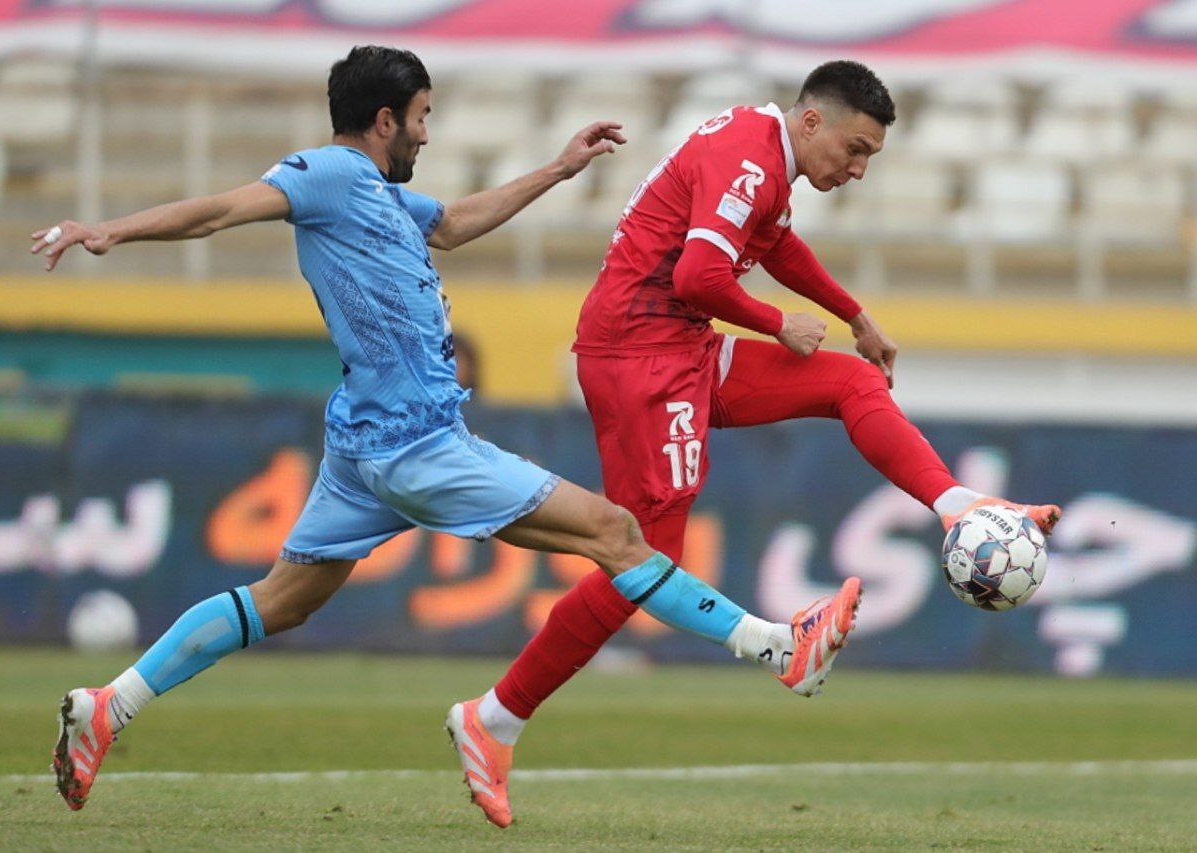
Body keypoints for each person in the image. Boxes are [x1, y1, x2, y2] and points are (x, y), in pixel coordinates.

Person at [35, 46, 862, 817]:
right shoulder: (327, 174)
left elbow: (455, 223)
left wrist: (557, 169)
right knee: (615, 532)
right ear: (384, 120)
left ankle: (111, 704)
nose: (427, 135)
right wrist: (111, 230)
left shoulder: (380, 195)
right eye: (422, 117)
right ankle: (775, 647)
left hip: (363, 445)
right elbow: (223, 209)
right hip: (417, 445)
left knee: (281, 601)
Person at [450, 60, 1063, 827]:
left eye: (871, 157)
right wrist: (778, 323)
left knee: (849, 382)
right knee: (645, 553)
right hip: (639, 354)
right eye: (856, 149)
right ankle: (496, 717)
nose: (859, 169)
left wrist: (854, 314)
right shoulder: (749, 156)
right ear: (811, 122)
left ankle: (958, 506)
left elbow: (775, 245)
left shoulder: (765, 156)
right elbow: (699, 275)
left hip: (677, 345)